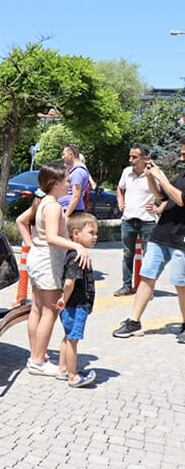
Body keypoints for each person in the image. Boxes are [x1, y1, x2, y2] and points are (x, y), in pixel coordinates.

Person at [16, 162, 90, 375]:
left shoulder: (43, 202)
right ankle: (38, 361)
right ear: (55, 183)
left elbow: (22, 222)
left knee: (38, 309)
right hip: (47, 262)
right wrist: (76, 245)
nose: (69, 183)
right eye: (66, 180)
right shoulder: (54, 206)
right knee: (49, 311)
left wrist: (32, 243)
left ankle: (35, 356)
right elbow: (51, 237)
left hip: (39, 259)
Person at [112, 141, 185, 343]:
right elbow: (161, 195)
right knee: (146, 276)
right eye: (181, 153)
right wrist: (152, 177)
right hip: (162, 234)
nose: (181, 158)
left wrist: (160, 176)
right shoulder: (182, 175)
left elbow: (180, 199)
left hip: (181, 238)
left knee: (181, 283)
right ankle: (134, 322)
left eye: (184, 154)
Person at [114, 143, 165, 296]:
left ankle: (146, 290)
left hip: (147, 221)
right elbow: (120, 188)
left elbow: (169, 193)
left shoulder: (155, 173)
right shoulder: (127, 172)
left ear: (145, 158)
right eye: (130, 156)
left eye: (134, 157)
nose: (131, 160)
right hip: (128, 220)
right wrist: (120, 201)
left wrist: (159, 209)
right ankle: (126, 286)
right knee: (127, 255)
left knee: (149, 256)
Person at [55, 212, 98, 388]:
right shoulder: (77, 256)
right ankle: (73, 376)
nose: (95, 237)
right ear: (76, 233)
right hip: (75, 305)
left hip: (75, 305)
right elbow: (70, 282)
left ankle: (63, 370)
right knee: (73, 340)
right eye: (91, 233)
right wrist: (64, 299)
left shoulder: (74, 253)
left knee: (67, 337)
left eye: (96, 233)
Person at [59, 144, 90, 218]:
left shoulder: (77, 172)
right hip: (71, 210)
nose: (62, 157)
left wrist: (66, 216)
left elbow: (76, 196)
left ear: (71, 154)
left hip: (72, 211)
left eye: (64, 154)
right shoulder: (75, 171)